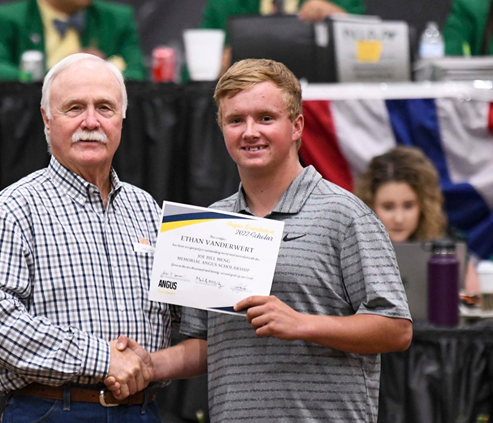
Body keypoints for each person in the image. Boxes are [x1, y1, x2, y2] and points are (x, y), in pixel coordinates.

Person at [107, 58, 413, 422]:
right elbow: (208, 344)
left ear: (297, 126)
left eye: (266, 118)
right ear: (221, 127)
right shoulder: (209, 222)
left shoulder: (345, 215)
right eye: (236, 120)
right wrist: (148, 365)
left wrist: (303, 324)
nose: (250, 132)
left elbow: (396, 328)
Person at [0, 52, 179, 422]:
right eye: (74, 108)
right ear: (47, 119)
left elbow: (183, 312)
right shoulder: (15, 207)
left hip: (142, 410)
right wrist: (101, 358)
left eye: (105, 108)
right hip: (53, 410)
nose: (90, 121)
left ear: (122, 118)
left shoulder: (147, 209)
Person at [355, 145, 481, 295]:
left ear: (424, 207)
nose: (399, 219)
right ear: (370, 206)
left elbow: (472, 298)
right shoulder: (349, 252)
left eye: (408, 206)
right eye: (388, 207)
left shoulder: (449, 250)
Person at [0, 0, 147, 81]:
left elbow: (136, 73)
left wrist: (102, 71)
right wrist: (57, 76)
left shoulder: (117, 18)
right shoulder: (6, 18)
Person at [199, 0, 365, 75]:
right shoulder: (222, 4)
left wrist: (339, 19)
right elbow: (192, 74)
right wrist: (214, 67)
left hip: (317, 113)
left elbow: (370, 56)